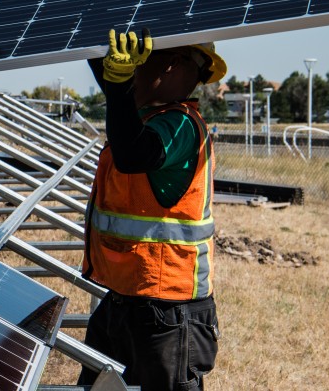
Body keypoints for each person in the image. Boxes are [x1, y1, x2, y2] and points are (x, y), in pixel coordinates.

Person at [78, 29, 226, 391]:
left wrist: (118, 81)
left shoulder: (180, 125)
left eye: (136, 64)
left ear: (172, 65)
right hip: (125, 300)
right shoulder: (143, 117)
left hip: (167, 311)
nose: (127, 72)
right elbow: (115, 91)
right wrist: (92, 32)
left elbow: (132, 153)